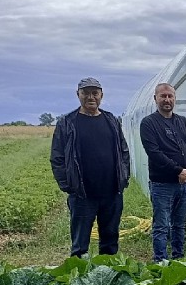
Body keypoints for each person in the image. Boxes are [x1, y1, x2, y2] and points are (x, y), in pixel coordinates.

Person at [50, 77, 130, 258]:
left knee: (110, 242)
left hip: (111, 193)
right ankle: (80, 281)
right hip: (82, 195)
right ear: (77, 95)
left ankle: (106, 278)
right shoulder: (67, 122)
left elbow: (124, 152)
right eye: (85, 93)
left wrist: (123, 179)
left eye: (95, 93)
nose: (90, 97)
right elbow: (57, 158)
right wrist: (68, 185)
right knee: (80, 246)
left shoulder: (111, 120)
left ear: (101, 95)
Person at [140, 83, 186, 262]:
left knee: (179, 224)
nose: (167, 100)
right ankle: (160, 262)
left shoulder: (183, 122)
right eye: (163, 96)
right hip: (162, 184)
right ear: (155, 98)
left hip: (184, 183)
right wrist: (179, 170)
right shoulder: (149, 123)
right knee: (161, 225)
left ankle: (178, 258)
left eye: (170, 96)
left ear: (175, 98)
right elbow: (155, 153)